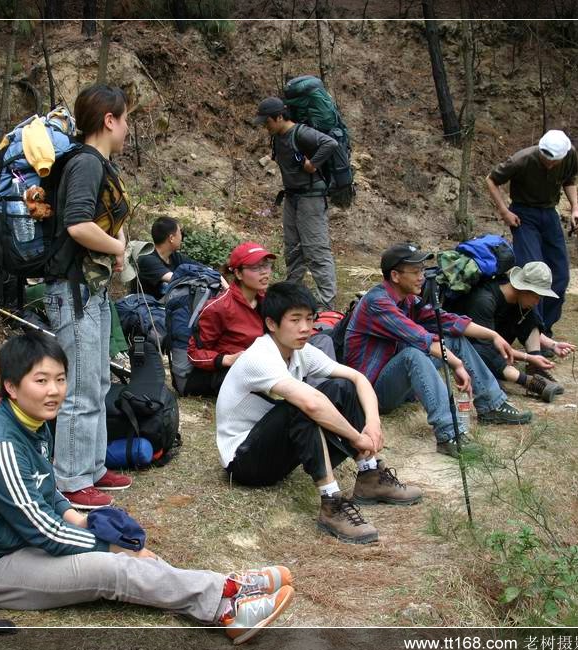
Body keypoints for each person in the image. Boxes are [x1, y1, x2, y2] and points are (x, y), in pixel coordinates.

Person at [0, 333, 294, 644]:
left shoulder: (34, 421)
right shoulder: (0, 446)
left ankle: (224, 586)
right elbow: (44, 531)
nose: (54, 391)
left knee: (124, 542)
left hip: (25, 542)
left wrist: (78, 517)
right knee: (113, 568)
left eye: (60, 379)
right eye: (41, 380)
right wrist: (110, 548)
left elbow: (47, 490)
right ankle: (226, 609)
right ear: (11, 386)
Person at [215, 282, 423, 545]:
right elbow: (311, 404)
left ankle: (370, 474)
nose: (305, 328)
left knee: (344, 387)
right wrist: (356, 437)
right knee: (301, 405)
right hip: (245, 462)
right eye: (295, 320)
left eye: (310, 319)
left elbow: (358, 379)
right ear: (271, 324)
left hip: (275, 451)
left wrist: (373, 424)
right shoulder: (259, 356)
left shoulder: (300, 351)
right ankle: (331, 503)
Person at [343, 244, 533, 459]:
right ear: (395, 276)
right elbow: (420, 338)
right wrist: (456, 363)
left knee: (452, 338)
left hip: (395, 383)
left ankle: (491, 405)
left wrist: (493, 335)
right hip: (370, 392)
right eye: (415, 272)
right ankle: (449, 434)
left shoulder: (408, 300)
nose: (421, 277)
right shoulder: (377, 303)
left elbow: (446, 321)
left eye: (422, 270)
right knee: (412, 356)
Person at [42, 83, 132, 509]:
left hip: (90, 290)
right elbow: (78, 225)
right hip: (71, 290)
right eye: (125, 118)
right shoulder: (86, 164)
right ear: (109, 120)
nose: (127, 127)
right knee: (77, 386)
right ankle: (71, 479)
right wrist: (120, 250)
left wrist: (113, 247)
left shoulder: (99, 164)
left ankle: (92, 467)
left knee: (97, 380)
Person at [485, 129, 578, 337]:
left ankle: (545, 329)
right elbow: (491, 180)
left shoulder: (570, 154)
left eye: (553, 161)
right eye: (545, 158)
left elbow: (570, 180)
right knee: (532, 272)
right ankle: (534, 333)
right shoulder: (522, 159)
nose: (549, 164)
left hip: (549, 214)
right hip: (524, 215)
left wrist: (575, 208)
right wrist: (505, 211)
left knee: (560, 275)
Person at [446, 262, 577, 402]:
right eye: (537, 297)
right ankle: (528, 381)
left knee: (528, 314)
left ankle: (535, 368)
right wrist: (527, 357)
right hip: (467, 343)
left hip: (494, 337)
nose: (538, 302)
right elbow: (488, 345)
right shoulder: (484, 301)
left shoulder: (517, 297)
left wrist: (552, 345)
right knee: (484, 352)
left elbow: (527, 325)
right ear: (525, 289)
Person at [253, 97, 338, 311]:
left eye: (267, 122)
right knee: (293, 249)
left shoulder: (300, 133)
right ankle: (292, 295)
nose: (265, 126)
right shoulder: (278, 136)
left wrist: (313, 164)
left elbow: (330, 143)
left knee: (316, 250)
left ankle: (327, 304)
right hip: (292, 197)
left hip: (311, 197)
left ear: (280, 117)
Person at [184, 242, 274, 396]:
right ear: (238, 274)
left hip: (255, 369)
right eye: (255, 268)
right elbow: (193, 353)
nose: (264, 272)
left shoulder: (267, 302)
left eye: (266, 266)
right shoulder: (220, 307)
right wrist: (228, 359)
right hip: (221, 373)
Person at [135, 215, 228, 299]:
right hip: (145, 310)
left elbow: (205, 269)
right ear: (171, 238)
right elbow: (175, 278)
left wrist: (224, 285)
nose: (182, 237)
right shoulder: (147, 259)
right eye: (180, 232)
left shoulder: (174, 257)